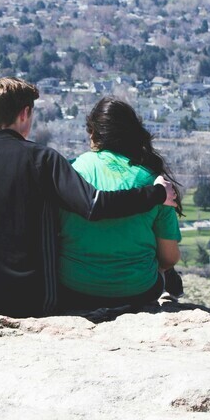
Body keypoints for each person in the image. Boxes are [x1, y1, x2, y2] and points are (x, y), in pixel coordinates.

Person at [0, 78, 176, 327]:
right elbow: (94, 205)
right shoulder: (44, 161)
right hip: (27, 299)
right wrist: (156, 194)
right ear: (25, 114)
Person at [57, 96, 183, 312]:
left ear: (93, 134)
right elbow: (169, 257)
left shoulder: (70, 172)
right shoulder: (152, 181)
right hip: (137, 291)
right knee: (168, 276)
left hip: (74, 289)